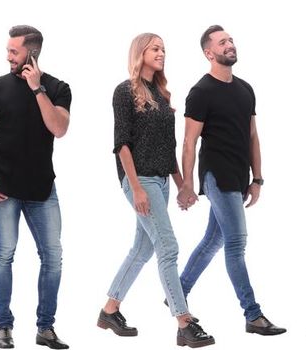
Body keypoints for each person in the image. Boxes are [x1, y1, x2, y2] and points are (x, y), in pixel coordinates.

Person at [98, 32, 214, 348]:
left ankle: (110, 311)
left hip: (161, 181)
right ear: (140, 53)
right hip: (140, 181)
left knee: (143, 249)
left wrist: (183, 186)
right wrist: (135, 188)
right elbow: (121, 143)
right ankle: (184, 322)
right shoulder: (124, 92)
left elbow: (168, 147)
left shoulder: (162, 95)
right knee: (168, 247)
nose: (161, 53)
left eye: (163, 48)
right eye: (155, 48)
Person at [174, 25, 286, 338]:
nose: (230, 45)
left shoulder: (245, 89)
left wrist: (258, 178)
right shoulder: (200, 92)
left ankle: (175, 293)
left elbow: (253, 136)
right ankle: (253, 314)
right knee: (236, 243)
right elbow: (188, 142)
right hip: (216, 174)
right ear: (209, 53)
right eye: (222, 42)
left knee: (213, 241)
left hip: (239, 177)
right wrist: (185, 184)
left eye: (231, 40)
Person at [0, 25, 71, 349]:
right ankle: (4, 326)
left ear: (31, 53)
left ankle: (45, 328)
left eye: (13, 51)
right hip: (2, 186)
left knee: (54, 256)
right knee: (4, 254)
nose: (8, 56)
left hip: (42, 188)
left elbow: (58, 128)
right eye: (8, 50)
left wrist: (36, 89)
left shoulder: (58, 88)